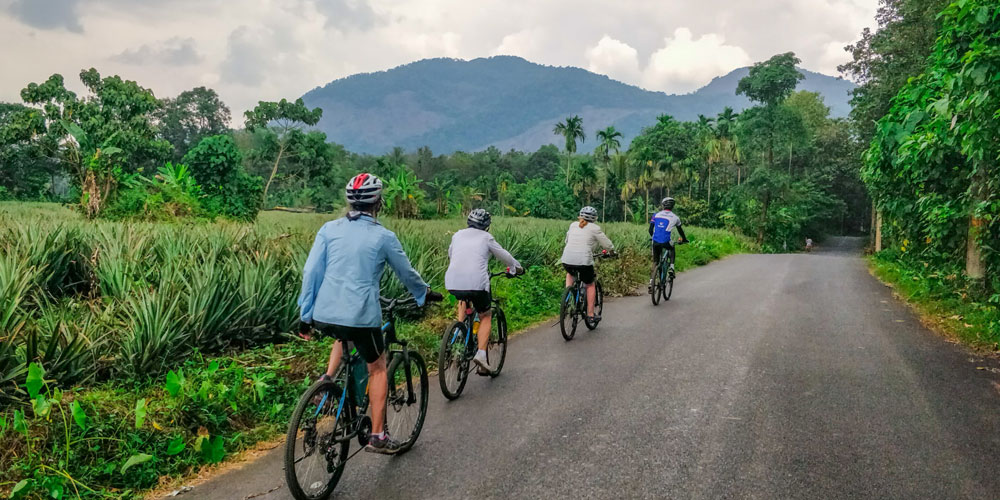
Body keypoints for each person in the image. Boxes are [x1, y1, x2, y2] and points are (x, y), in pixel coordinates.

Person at [298, 173, 442, 455]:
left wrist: (305, 315)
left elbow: (311, 271)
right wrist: (423, 293)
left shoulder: (329, 229)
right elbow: (407, 273)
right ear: (378, 202)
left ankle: (326, 384)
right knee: (377, 367)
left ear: (349, 201)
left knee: (342, 335)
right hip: (361, 315)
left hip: (325, 313)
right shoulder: (383, 236)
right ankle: (377, 435)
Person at [444, 209, 523, 374]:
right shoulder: (486, 238)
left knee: (463, 298)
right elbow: (505, 256)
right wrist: (517, 267)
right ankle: (481, 354)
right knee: (485, 315)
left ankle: (459, 329)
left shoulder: (457, 235)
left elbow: (451, 254)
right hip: (477, 283)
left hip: (453, 281)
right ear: (487, 226)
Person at [560, 206, 615, 323]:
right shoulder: (595, 228)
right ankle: (590, 315)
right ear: (594, 218)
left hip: (567, 259)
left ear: (580, 215)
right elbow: (607, 245)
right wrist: (611, 252)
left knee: (570, 273)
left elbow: (567, 241)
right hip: (584, 261)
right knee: (590, 284)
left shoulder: (573, 225)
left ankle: (568, 297)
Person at [649, 197, 687, 292]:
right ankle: (671, 267)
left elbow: (650, 230)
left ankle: (650, 282)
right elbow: (680, 231)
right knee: (672, 247)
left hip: (655, 241)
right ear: (673, 206)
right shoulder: (675, 218)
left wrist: (653, 236)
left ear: (662, 205)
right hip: (666, 241)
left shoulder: (656, 215)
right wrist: (684, 239)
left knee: (655, 261)